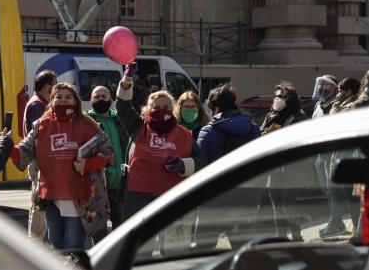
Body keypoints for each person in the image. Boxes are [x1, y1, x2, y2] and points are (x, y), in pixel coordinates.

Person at [11, 83, 113, 250]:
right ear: (51, 101)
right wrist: (7, 146)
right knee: (56, 244)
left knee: (73, 246)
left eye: (68, 97)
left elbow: (109, 152)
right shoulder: (40, 125)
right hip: (51, 197)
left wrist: (88, 164)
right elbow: (24, 151)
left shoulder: (88, 124)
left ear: (75, 102)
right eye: (58, 97)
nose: (63, 100)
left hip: (82, 197)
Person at [116, 64, 206, 219]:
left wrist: (183, 164)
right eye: (156, 107)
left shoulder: (184, 134)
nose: (161, 109)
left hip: (170, 197)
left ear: (172, 109)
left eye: (165, 106)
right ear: (148, 110)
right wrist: (127, 80)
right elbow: (123, 107)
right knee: (140, 240)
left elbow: (201, 160)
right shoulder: (138, 126)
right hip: (138, 197)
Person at [259, 82, 307, 239]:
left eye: (280, 96)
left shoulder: (298, 117)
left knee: (289, 204)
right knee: (277, 206)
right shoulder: (270, 116)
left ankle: (297, 236)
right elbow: (261, 136)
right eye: (276, 96)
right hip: (274, 168)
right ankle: (282, 237)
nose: (276, 99)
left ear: (289, 99)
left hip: (293, 168)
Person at [86, 85, 128, 241]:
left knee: (122, 228)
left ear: (111, 99)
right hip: (96, 185)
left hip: (120, 184)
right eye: (96, 96)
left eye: (104, 96)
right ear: (90, 100)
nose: (100, 99)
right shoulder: (85, 121)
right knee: (98, 231)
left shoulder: (120, 120)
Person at [23, 69, 57, 241]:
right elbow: (39, 136)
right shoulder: (38, 105)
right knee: (39, 203)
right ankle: (35, 243)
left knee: (40, 202)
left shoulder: (37, 102)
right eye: (55, 84)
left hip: (39, 159)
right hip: (39, 160)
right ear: (47, 87)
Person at [197, 83, 261, 164]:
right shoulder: (254, 128)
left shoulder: (207, 132)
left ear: (216, 109)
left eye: (210, 108)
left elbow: (200, 165)